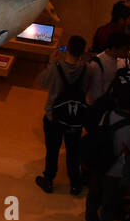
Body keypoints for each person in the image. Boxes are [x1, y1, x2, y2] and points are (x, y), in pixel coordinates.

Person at [83, 78, 130, 221]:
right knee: (109, 204)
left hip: (98, 164)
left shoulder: (107, 115)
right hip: (114, 171)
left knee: (93, 195)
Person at [35, 34, 89, 195]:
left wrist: (51, 62)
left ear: (68, 49)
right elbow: (85, 89)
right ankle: (75, 184)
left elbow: (41, 82)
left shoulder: (56, 67)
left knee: (52, 149)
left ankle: (49, 180)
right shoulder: (86, 69)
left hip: (54, 116)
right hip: (75, 117)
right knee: (73, 150)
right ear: (83, 51)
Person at [86, 31, 130, 102]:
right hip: (102, 105)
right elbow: (95, 94)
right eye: (125, 49)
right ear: (114, 48)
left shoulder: (122, 61)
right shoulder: (97, 63)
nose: (128, 52)